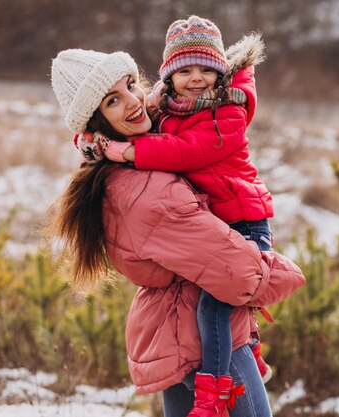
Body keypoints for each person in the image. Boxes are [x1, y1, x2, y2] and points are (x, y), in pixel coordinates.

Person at [49, 48, 305, 417]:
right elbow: (236, 271)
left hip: (174, 333)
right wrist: (284, 274)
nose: (134, 101)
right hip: (204, 342)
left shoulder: (127, 161)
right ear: (97, 122)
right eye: (113, 101)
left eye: (132, 85)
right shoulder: (147, 190)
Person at [82, 17, 275, 408]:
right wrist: (93, 140)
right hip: (192, 322)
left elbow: (183, 150)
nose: (197, 78)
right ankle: (216, 384)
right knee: (219, 302)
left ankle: (245, 351)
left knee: (220, 301)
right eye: (184, 70)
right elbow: (237, 271)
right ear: (169, 77)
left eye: (132, 86)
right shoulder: (155, 146)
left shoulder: (223, 112)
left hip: (241, 220)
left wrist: (119, 148)